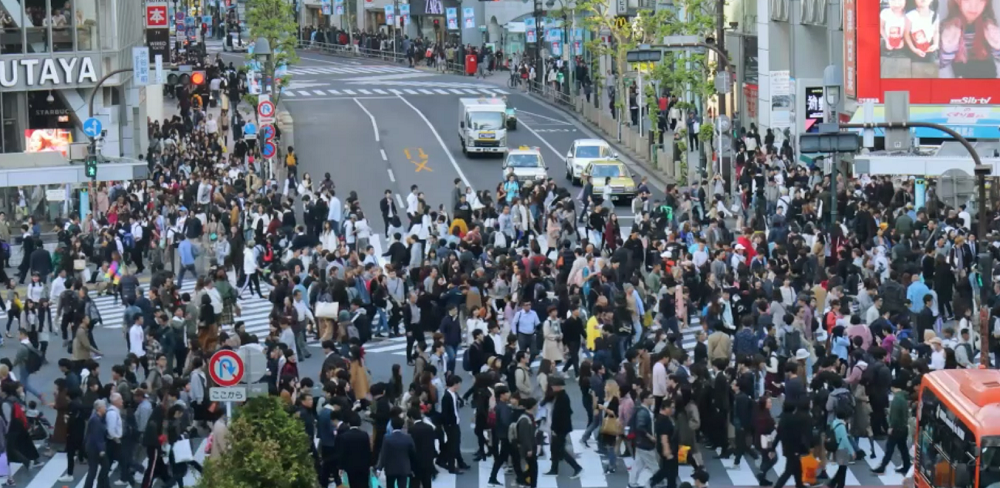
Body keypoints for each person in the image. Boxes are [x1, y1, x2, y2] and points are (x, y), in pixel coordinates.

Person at [376, 415, 416, 488]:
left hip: (390, 469)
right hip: (404, 468)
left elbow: (384, 454)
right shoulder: (408, 437)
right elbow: (413, 453)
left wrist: (379, 468)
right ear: (402, 425)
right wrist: (413, 468)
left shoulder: (387, 438)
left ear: (391, 425)